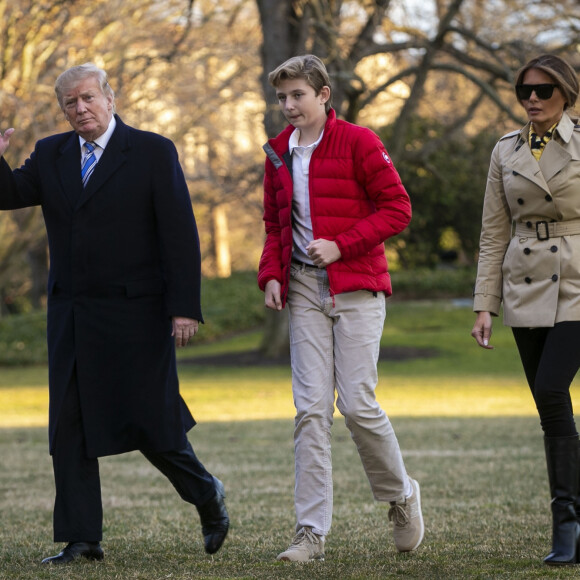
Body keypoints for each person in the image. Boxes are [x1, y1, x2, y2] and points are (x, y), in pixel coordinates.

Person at [0, 63, 229, 564]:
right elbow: (8, 194)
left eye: (87, 98)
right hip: (72, 314)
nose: (79, 109)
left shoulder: (151, 151)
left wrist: (184, 307)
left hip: (137, 311)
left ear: (109, 97)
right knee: (70, 425)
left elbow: (179, 233)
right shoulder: (50, 153)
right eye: (69, 104)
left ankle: (207, 494)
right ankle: (82, 540)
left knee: (151, 420)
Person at [257, 54, 424, 562]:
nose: (288, 105)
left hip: (356, 287)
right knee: (310, 410)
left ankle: (401, 496)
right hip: (304, 290)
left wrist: (341, 244)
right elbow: (273, 224)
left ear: (323, 94)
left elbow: (398, 208)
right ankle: (311, 533)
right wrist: (269, 274)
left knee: (355, 403)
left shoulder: (359, 141)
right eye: (282, 97)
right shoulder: (277, 152)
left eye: (297, 95)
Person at [471, 54, 580, 565]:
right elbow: (493, 232)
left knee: (552, 389)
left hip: (578, 280)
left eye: (543, 90)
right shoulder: (505, 151)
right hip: (524, 282)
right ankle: (571, 521)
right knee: (548, 407)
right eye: (524, 91)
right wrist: (484, 305)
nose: (532, 99)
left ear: (566, 94)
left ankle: (567, 521)